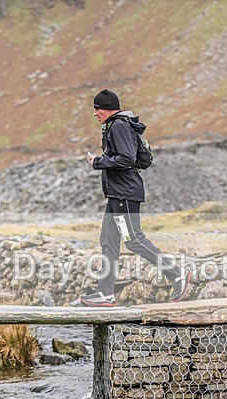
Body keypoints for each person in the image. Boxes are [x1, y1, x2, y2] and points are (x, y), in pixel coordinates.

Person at [78, 89, 191, 307]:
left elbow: (126, 159)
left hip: (125, 194)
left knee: (134, 240)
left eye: (97, 109)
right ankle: (106, 294)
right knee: (108, 242)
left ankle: (177, 275)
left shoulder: (119, 125)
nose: (95, 114)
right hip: (115, 195)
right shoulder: (113, 125)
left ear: (108, 108)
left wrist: (98, 163)